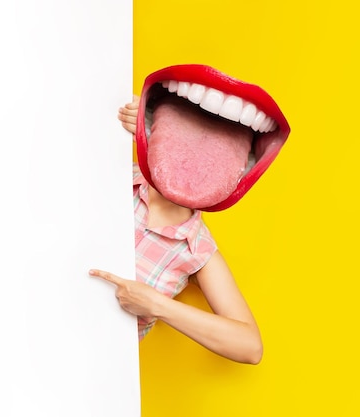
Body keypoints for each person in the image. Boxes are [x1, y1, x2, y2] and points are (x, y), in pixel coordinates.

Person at [89, 95, 263, 365]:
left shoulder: (198, 250)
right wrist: (142, 114)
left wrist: (157, 305)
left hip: (93, 374)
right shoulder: (114, 177)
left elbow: (250, 347)